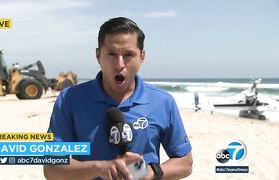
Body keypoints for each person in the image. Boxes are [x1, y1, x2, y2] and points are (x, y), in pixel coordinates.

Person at [44, 17, 193, 180]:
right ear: (98, 55)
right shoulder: (70, 99)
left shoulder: (162, 102)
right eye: (111, 54)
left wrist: (149, 173)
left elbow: (185, 163)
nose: (119, 64)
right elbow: (52, 169)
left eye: (128, 55)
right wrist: (100, 168)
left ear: (141, 57)